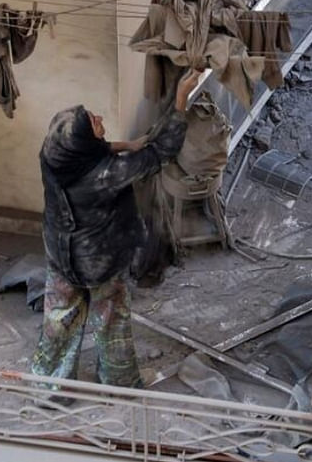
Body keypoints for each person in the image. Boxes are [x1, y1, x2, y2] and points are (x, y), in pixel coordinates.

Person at [31, 67, 200, 392]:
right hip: (99, 264)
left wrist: (125, 144)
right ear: (83, 142)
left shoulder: (53, 153)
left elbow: (92, 152)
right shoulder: (106, 176)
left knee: (59, 320)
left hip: (61, 257)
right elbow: (161, 153)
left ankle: (49, 387)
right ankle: (119, 382)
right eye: (93, 123)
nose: (97, 117)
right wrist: (181, 100)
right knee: (111, 322)